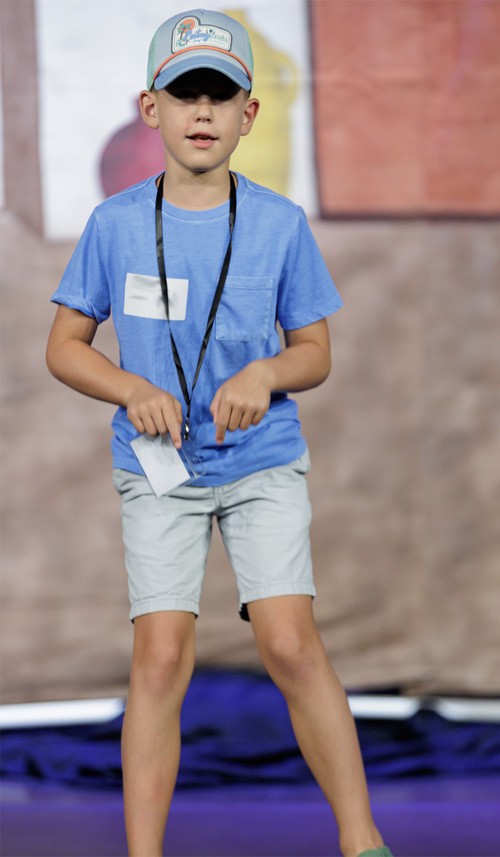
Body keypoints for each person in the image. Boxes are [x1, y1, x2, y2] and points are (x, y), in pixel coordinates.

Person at [46, 9, 394, 857]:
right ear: (150, 108)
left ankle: (363, 841)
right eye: (183, 93)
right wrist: (130, 387)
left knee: (289, 642)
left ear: (249, 114)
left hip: (260, 461)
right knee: (161, 657)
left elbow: (314, 351)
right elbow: (64, 347)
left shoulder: (279, 224)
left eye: (220, 94)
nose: (201, 110)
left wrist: (267, 373)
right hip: (158, 468)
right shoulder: (116, 224)